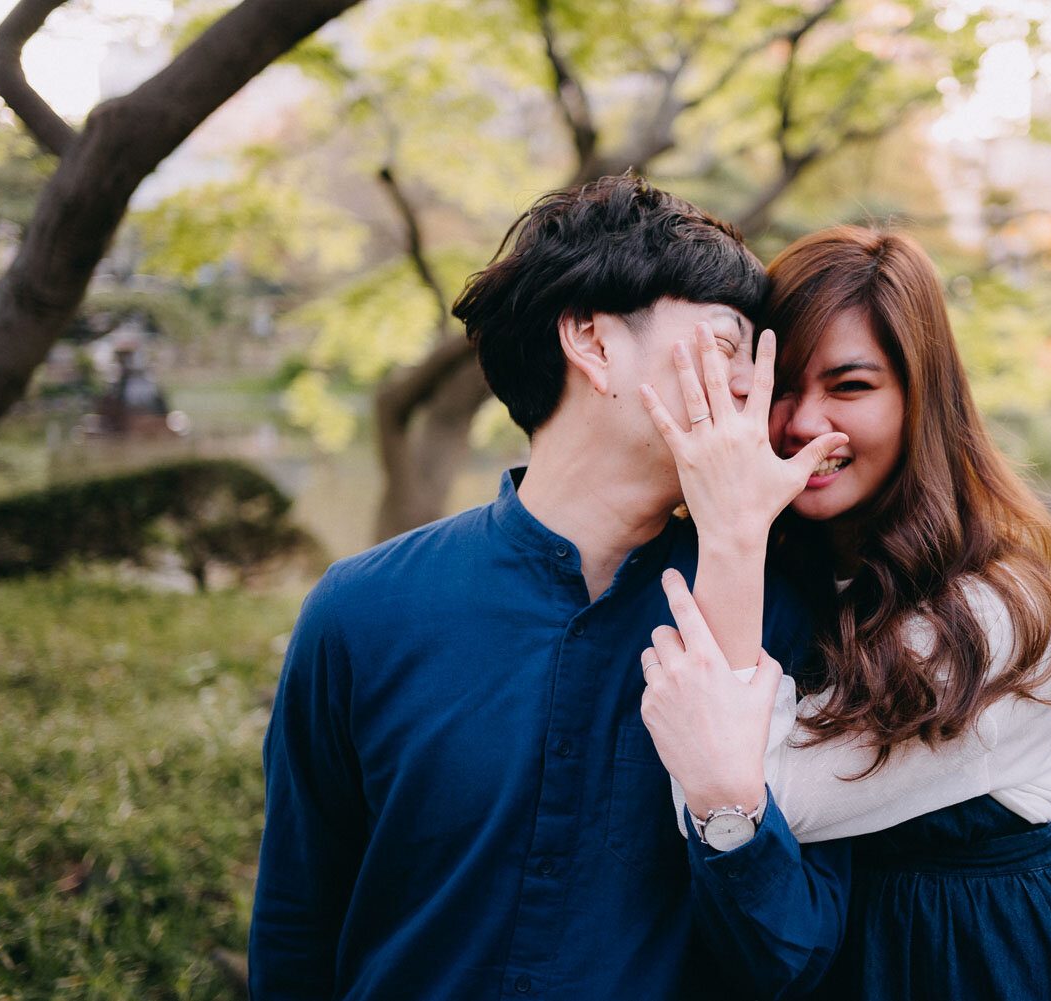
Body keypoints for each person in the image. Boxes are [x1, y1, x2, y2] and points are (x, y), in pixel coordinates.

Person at [247, 174, 852, 1000]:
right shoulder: (362, 611)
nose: (754, 388)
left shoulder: (787, 613)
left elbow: (798, 956)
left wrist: (728, 803)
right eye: (725, 346)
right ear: (593, 342)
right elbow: (297, 926)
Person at [636, 226, 1051, 1000]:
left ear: (919, 399)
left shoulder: (989, 616)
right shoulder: (813, 571)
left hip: (1013, 962)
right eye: (781, 389)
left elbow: (748, 794)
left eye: (850, 386)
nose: (805, 422)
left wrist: (730, 527)